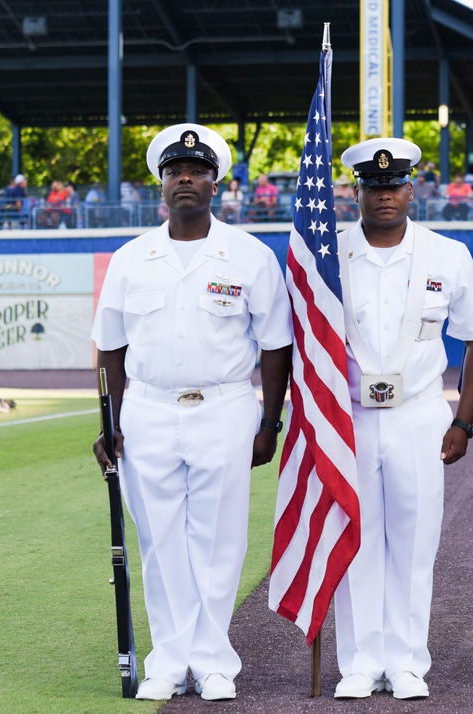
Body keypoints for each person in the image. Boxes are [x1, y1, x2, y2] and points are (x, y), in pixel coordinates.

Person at [91, 123, 292, 702]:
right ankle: (168, 660)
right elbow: (110, 346)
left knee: (218, 539)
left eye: (197, 170)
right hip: (147, 412)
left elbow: (276, 343)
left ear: (215, 183)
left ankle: (212, 661)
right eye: (176, 170)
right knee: (159, 541)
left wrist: (268, 420)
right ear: (161, 183)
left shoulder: (249, 256)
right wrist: (108, 422)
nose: (186, 178)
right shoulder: (133, 259)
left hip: (224, 408)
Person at [331, 137, 473, 701]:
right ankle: (357, 661)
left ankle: (405, 662)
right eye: (373, 187)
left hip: (419, 415)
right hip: (348, 418)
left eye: (395, 185)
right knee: (355, 541)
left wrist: (463, 422)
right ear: (357, 191)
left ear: (411, 189)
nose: (384, 195)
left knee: (414, 542)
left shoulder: (447, 255)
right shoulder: (328, 254)